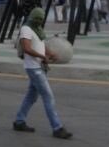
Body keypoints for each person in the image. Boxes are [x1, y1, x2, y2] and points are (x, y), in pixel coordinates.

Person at [13, 8, 72, 139]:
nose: (40, 20)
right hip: (33, 68)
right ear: (33, 17)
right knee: (48, 97)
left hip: (39, 66)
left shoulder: (37, 29)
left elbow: (41, 44)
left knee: (31, 96)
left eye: (41, 18)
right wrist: (42, 56)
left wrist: (50, 53)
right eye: (38, 18)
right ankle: (57, 127)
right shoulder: (26, 29)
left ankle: (19, 121)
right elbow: (26, 48)